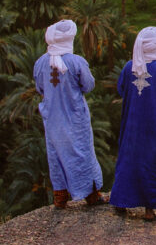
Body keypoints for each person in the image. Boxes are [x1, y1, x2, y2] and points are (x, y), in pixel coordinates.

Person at [33, 19, 105, 209]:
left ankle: (60, 197)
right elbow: (88, 85)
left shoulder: (41, 63)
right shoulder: (76, 62)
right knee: (81, 152)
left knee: (55, 154)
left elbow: (40, 88)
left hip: (52, 119)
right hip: (75, 119)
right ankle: (91, 195)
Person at [110, 26, 156, 221]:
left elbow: (122, 89)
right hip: (155, 123)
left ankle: (122, 202)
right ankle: (150, 210)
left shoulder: (129, 67)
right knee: (153, 160)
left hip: (132, 122)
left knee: (129, 159)